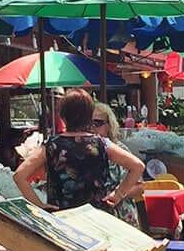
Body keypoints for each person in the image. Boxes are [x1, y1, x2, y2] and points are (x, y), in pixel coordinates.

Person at [15, 89, 146, 220]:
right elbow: (137, 166)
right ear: (89, 116)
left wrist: (40, 207)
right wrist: (118, 194)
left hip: (63, 219)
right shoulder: (102, 143)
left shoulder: (51, 145)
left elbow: (19, 176)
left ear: (63, 115)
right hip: (98, 218)